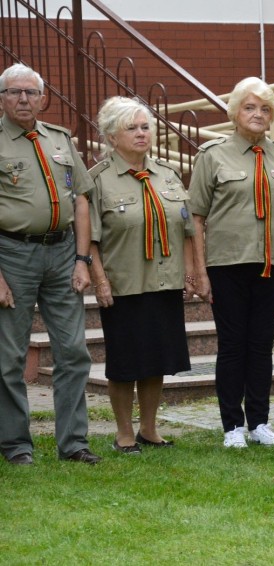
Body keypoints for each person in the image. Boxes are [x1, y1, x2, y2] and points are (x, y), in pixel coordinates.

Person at [190, 77, 274, 449]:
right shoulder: (212, 156)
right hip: (227, 265)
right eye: (250, 107)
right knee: (232, 345)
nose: (258, 115)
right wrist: (199, 272)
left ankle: (259, 422)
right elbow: (195, 217)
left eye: (265, 109)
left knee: (261, 345)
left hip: (272, 266)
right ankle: (232, 427)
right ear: (234, 112)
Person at [0, 63, 101, 465]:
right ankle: (15, 445)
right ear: (2, 98)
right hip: (12, 255)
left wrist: (82, 260)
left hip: (62, 255)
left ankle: (74, 443)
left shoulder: (59, 139)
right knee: (9, 357)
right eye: (14, 92)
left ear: (43, 98)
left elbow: (80, 199)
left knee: (74, 351)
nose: (23, 99)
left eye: (30, 92)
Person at [87, 96, 197, 454]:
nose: (141, 134)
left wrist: (193, 272)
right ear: (111, 137)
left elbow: (187, 228)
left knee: (158, 358)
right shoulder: (98, 180)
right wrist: (100, 280)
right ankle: (123, 432)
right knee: (125, 362)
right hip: (124, 284)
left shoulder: (167, 174)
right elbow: (89, 240)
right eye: (130, 128)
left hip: (164, 281)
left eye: (145, 127)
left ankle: (149, 428)